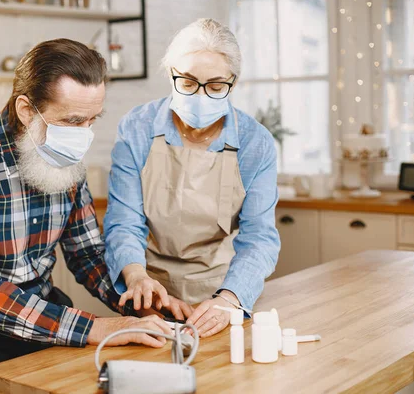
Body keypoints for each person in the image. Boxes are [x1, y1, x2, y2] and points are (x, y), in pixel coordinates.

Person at [0, 39, 188, 394]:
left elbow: (87, 254)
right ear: (26, 109)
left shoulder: (64, 157)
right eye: (72, 121)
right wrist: (98, 328)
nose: (83, 135)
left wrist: (138, 302)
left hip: (40, 316)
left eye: (91, 120)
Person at [104, 19, 281, 338]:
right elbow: (124, 221)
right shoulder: (137, 129)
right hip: (150, 295)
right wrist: (136, 279)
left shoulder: (255, 143)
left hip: (222, 295)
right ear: (170, 73)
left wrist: (230, 299)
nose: (200, 95)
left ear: (233, 82)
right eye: (187, 82)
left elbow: (259, 238)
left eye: (215, 86)